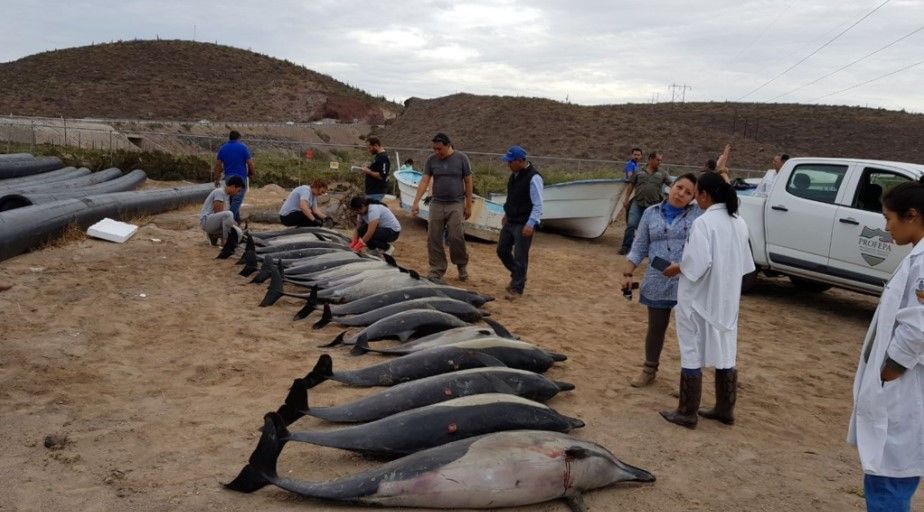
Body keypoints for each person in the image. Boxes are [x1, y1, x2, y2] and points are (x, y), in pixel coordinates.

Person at [848, 179, 924, 512]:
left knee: (888, 483)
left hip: (902, 389)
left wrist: (889, 369)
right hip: (897, 387)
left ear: (912, 215)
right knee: (886, 479)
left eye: (889, 217)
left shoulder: (923, 263)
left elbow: (919, 325)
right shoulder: (916, 257)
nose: (886, 226)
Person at [660, 172, 754, 429]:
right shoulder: (739, 222)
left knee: (691, 352)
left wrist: (677, 267)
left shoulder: (704, 223)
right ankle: (725, 408)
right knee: (726, 352)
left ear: (705, 195)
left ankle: (687, 411)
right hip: (726, 302)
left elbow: (697, 266)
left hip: (699, 300)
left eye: (697, 193)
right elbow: (746, 266)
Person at [620, 173, 702, 387]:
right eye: (679, 187)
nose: (681, 194)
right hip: (657, 279)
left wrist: (722, 172)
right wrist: (628, 273)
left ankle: (689, 380)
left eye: (688, 192)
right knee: (656, 328)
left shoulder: (699, 214)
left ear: (694, 197)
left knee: (690, 333)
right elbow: (639, 247)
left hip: (688, 281)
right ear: (671, 186)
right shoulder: (650, 213)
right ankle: (649, 370)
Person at [411, 132, 473, 283]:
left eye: (439, 149)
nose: (436, 152)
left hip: (456, 203)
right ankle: (437, 269)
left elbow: (468, 182)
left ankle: (461, 265)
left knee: (455, 236)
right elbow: (425, 181)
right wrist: (416, 202)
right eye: (434, 149)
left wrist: (468, 205)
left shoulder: (461, 158)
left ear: (448, 145)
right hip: (437, 203)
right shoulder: (431, 160)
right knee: (433, 237)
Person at [497, 145, 543, 300]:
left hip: (524, 222)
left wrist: (531, 223)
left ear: (519, 160)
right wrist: (506, 213)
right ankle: (518, 275)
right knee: (502, 250)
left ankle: (517, 288)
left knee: (520, 256)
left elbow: (538, 204)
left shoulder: (534, 177)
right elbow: (512, 198)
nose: (508, 164)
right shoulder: (514, 176)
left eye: (510, 161)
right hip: (510, 220)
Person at [619, 152, 672, 255]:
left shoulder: (663, 173)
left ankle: (647, 250)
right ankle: (625, 247)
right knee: (631, 225)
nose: (660, 162)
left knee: (650, 229)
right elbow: (631, 185)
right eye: (658, 160)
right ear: (651, 159)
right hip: (637, 202)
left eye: (661, 160)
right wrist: (626, 199)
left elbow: (672, 184)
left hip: (653, 206)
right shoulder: (638, 171)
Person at [213, 130, 255, 222]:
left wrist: (216, 178)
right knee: (237, 200)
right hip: (240, 177)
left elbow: (218, 165)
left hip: (228, 177)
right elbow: (250, 163)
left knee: (232, 199)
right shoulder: (243, 147)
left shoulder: (223, 148)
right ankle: (228, 220)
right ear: (238, 138)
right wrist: (252, 173)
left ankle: (236, 219)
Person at [200, 176, 244, 247]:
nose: (237, 193)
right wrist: (232, 224)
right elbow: (218, 212)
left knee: (238, 233)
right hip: (206, 221)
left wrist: (234, 225)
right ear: (233, 186)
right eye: (238, 190)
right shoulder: (219, 192)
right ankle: (225, 242)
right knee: (229, 214)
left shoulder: (227, 196)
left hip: (213, 221)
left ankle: (214, 236)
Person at [361, 137, 391, 201]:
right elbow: (377, 169)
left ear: (376, 146)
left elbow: (382, 176)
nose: (368, 150)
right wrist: (368, 167)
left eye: (370, 148)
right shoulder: (378, 156)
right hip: (372, 192)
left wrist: (369, 172)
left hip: (376, 193)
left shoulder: (383, 157)